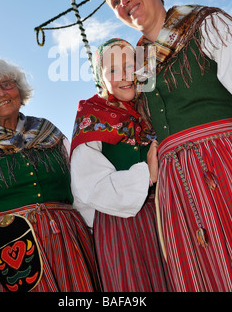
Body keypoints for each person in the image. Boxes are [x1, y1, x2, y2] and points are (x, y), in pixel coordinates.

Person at [100, 0, 232, 292]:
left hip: (227, 163)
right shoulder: (137, 64)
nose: (124, 2)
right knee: (201, 273)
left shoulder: (206, 23)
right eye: (115, 2)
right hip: (174, 183)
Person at [0, 56, 100, 292]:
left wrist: (95, 233)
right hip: (2, 255)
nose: (0, 93)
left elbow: (80, 188)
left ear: (19, 90)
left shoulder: (49, 132)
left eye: (7, 84)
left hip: (65, 244)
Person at [70, 38, 168, 292]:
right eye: (112, 70)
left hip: (167, 216)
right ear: (100, 78)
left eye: (129, 65)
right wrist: (147, 173)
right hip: (122, 227)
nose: (124, 76)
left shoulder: (152, 107)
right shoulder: (92, 115)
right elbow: (88, 187)